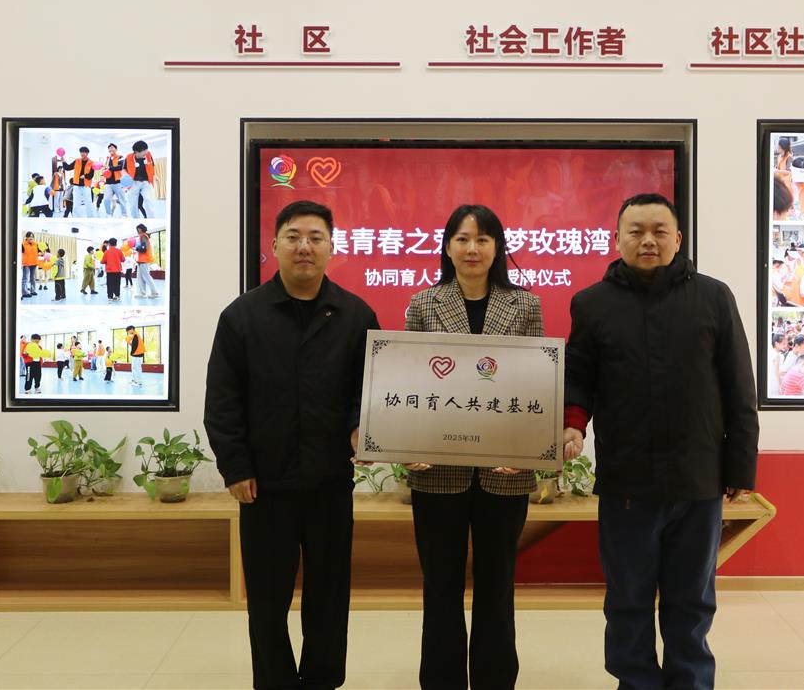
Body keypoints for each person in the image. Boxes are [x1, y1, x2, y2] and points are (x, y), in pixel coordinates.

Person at [563, 193, 758, 690]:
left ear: (678, 239)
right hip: (626, 482)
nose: (647, 240)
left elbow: (739, 387)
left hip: (699, 479)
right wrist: (573, 424)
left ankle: (690, 682)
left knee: (691, 600)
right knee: (627, 599)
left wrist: (740, 469)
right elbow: (578, 378)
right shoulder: (592, 304)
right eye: (636, 231)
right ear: (617, 238)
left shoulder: (714, 298)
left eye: (659, 231)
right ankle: (635, 683)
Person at [205, 200, 379, 690]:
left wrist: (361, 428)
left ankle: (323, 680)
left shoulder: (357, 315)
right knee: (267, 597)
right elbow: (222, 400)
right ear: (275, 245)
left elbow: (370, 390)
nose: (305, 246)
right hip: (264, 483)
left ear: (331, 247)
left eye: (316, 238)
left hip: (330, 481)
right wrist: (236, 467)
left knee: (329, 595)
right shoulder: (242, 316)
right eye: (294, 237)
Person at [400, 204, 543, 690]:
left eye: (483, 239)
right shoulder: (423, 304)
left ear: (497, 248)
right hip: (436, 469)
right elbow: (410, 382)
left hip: (506, 473)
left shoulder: (524, 305)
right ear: (446, 247)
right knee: (440, 585)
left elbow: (534, 385)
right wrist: (408, 444)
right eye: (462, 239)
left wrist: (525, 450)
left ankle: (495, 680)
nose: (472, 248)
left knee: (497, 586)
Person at [126, 140, 156, 218]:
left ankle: (151, 219)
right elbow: (124, 169)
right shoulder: (129, 157)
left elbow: (152, 166)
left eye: (146, 149)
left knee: (148, 200)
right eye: (144, 150)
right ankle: (135, 219)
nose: (146, 152)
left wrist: (154, 175)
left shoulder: (148, 155)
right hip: (134, 182)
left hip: (146, 182)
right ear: (136, 152)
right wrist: (126, 180)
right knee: (133, 204)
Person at [68, 146, 96, 219]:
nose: (82, 153)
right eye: (81, 152)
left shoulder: (91, 163)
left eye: (84, 152)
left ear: (87, 153)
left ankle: (90, 217)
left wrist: (85, 176)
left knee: (88, 202)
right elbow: (68, 167)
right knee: (76, 202)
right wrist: (63, 161)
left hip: (86, 185)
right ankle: (76, 218)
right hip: (76, 185)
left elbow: (91, 175)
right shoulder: (77, 161)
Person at [102, 143, 130, 217]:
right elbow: (106, 169)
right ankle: (108, 214)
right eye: (109, 148)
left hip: (118, 182)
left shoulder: (120, 157)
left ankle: (124, 215)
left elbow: (121, 166)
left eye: (112, 148)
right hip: (108, 183)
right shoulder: (107, 159)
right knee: (106, 199)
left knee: (121, 200)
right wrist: (104, 171)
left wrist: (110, 168)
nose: (111, 149)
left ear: (116, 149)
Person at [134, 223, 159, 299]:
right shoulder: (143, 236)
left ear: (141, 229)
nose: (138, 230)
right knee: (140, 277)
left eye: (138, 229)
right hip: (141, 260)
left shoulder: (143, 236)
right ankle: (142, 293)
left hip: (144, 260)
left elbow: (144, 249)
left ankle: (155, 293)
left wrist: (136, 248)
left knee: (146, 276)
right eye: (137, 229)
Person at [101, 237, 125, 301]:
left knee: (110, 284)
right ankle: (117, 296)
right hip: (118, 270)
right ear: (116, 244)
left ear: (109, 244)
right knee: (117, 284)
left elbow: (102, 261)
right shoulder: (119, 251)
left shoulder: (106, 252)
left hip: (109, 271)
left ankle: (110, 297)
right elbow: (123, 260)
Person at [21, 231, 39, 298]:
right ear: (27, 237)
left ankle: (32, 291)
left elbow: (38, 252)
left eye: (32, 236)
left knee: (32, 278)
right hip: (26, 264)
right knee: (25, 278)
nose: (31, 238)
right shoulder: (23, 244)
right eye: (30, 236)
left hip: (34, 263)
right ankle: (25, 292)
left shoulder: (36, 244)